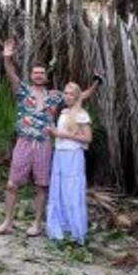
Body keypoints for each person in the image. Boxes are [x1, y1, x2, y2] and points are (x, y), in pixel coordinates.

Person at [0, 38, 98, 237]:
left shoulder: (55, 96)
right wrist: (7, 58)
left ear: (46, 76)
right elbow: (12, 75)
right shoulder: (22, 91)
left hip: (44, 143)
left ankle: (37, 223)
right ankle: (7, 222)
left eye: (42, 73)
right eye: (35, 73)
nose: (39, 75)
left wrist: (96, 83)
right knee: (12, 184)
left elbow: (81, 95)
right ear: (31, 76)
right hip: (23, 142)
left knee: (41, 185)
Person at [45, 83, 93, 244]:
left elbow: (87, 138)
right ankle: (60, 227)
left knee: (71, 191)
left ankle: (75, 230)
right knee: (59, 191)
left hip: (73, 156)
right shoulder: (64, 112)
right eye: (65, 93)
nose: (67, 96)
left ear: (77, 96)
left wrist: (62, 134)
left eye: (71, 94)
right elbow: (60, 135)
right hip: (59, 155)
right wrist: (54, 132)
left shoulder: (81, 114)